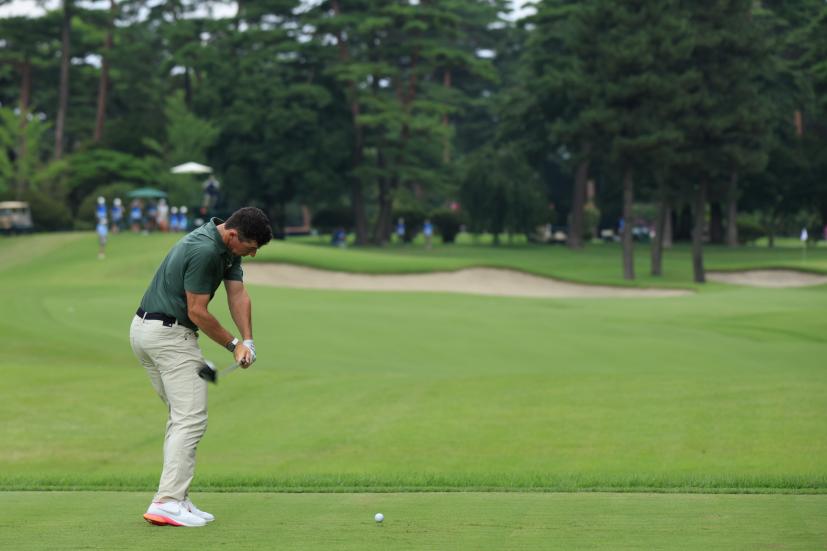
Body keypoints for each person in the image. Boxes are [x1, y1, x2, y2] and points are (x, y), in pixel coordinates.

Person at [130, 207, 273, 527]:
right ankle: (167, 502)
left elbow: (237, 293)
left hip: (147, 331)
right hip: (168, 336)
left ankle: (177, 497)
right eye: (250, 248)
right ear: (233, 235)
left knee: (182, 417)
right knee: (190, 419)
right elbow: (197, 311)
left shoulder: (226, 247)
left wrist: (248, 341)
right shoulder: (206, 250)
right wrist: (233, 345)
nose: (252, 254)